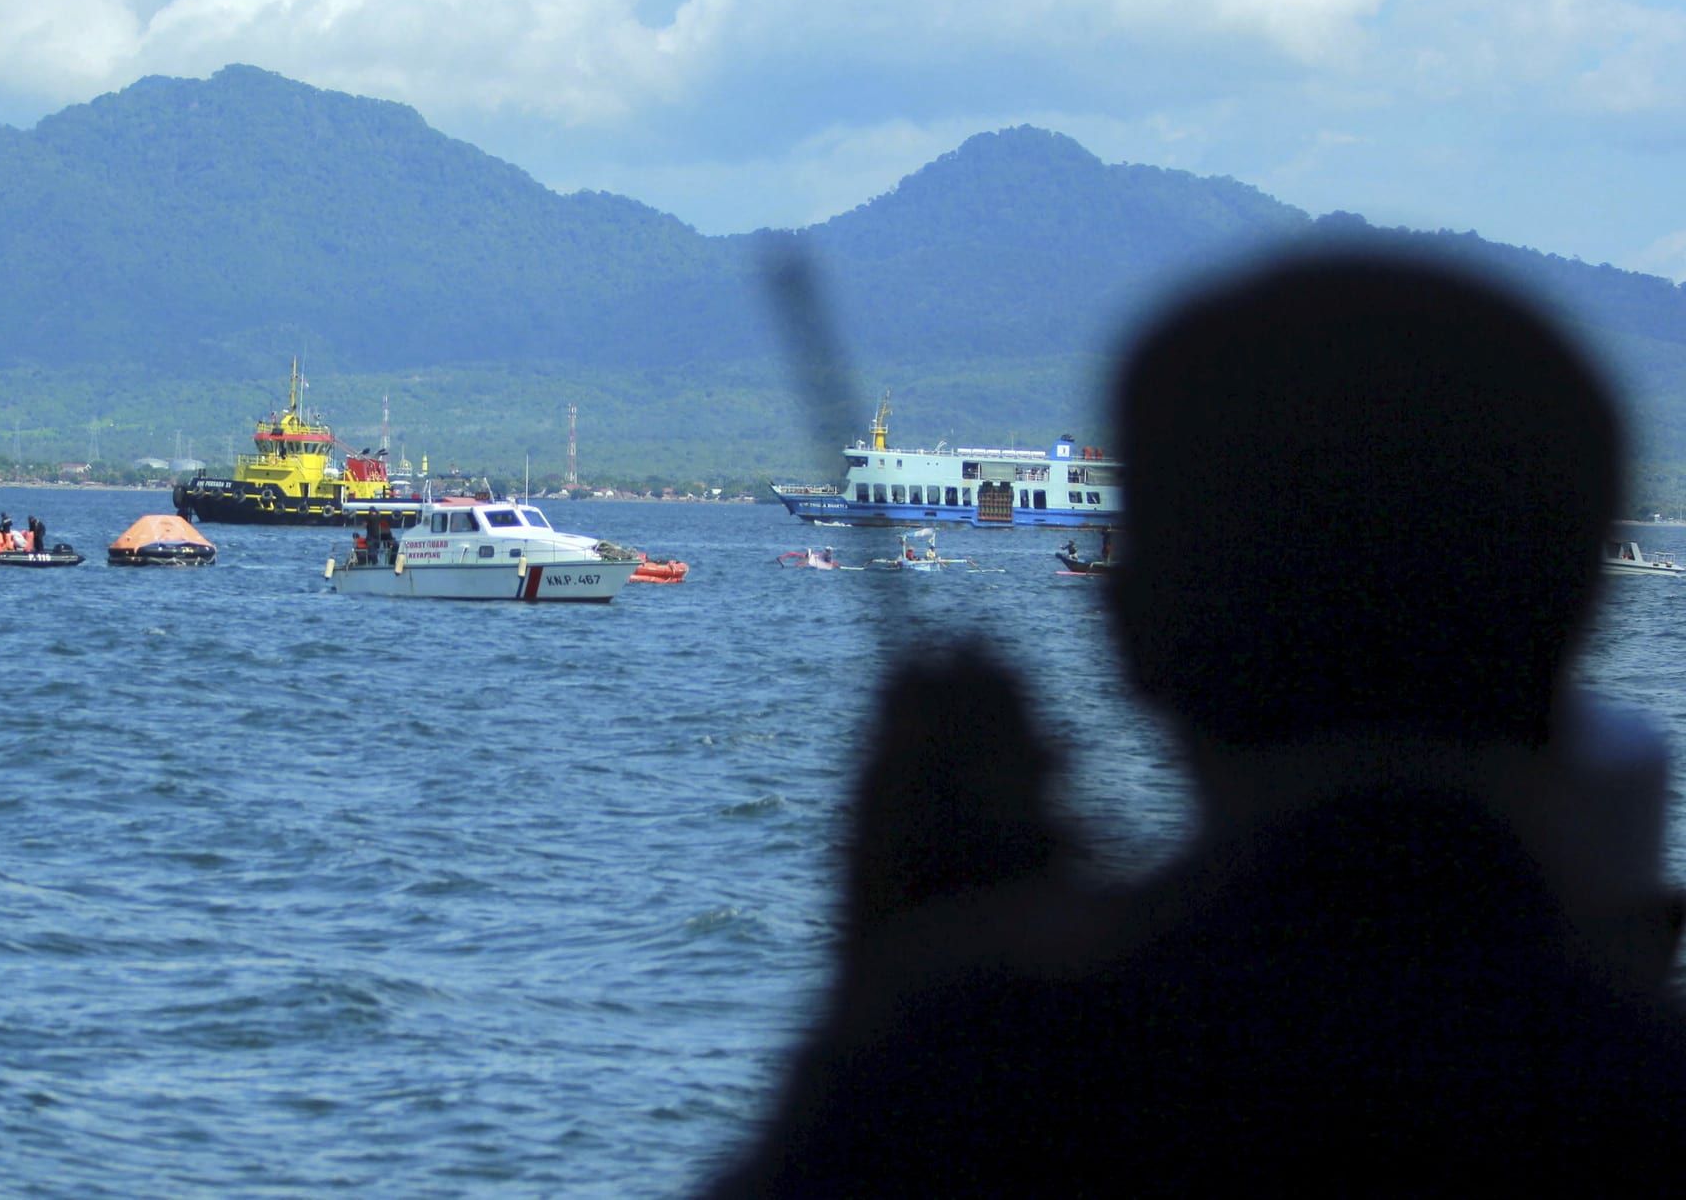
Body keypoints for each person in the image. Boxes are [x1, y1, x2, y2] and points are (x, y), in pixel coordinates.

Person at [708, 249, 1686, 1195]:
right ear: (1584, 610)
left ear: (1131, 624)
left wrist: (896, 975)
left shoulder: (974, 1082)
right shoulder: (1623, 1082)